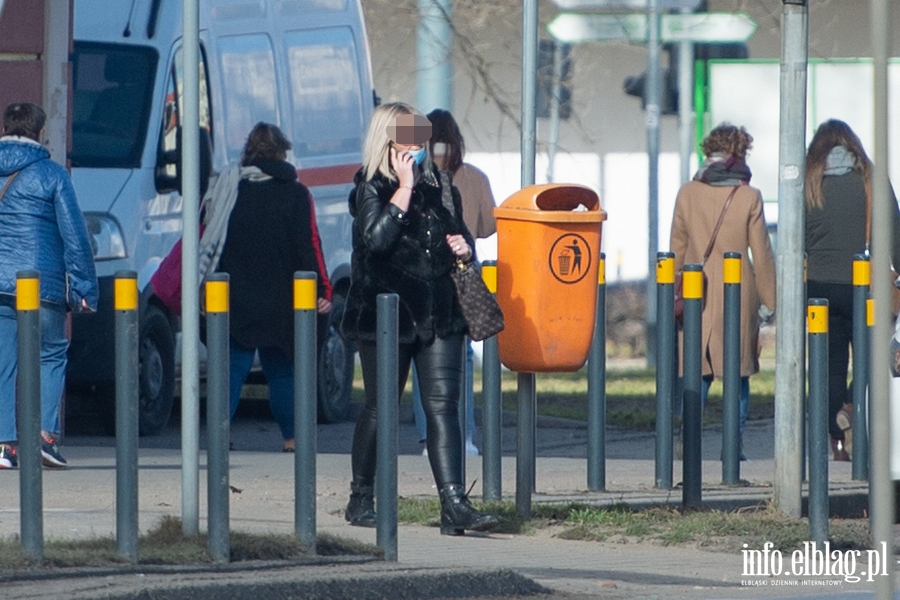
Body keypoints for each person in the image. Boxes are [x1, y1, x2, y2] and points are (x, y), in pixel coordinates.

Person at [340, 102, 499, 535]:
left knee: (443, 408)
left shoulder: (443, 185)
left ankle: (454, 503)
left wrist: (464, 248)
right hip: (387, 314)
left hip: (440, 314)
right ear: (385, 142)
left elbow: (460, 236)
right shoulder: (368, 188)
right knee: (380, 407)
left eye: (418, 137)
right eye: (406, 138)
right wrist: (404, 188)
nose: (416, 146)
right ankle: (360, 497)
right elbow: (375, 239)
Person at [215, 122, 332, 452]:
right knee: (282, 371)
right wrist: (323, 289)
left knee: (232, 370)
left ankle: (216, 435)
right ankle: (292, 439)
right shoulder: (296, 194)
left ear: (248, 153)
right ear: (282, 152)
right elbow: (309, 244)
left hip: (233, 294)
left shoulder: (230, 189)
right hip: (282, 299)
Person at [0, 102, 99, 469]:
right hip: (41, 283)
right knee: (51, 353)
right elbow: (75, 236)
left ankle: (3, 448)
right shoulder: (53, 174)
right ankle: (43, 437)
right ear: (40, 132)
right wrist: (85, 287)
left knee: (2, 363)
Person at [670, 123, 776, 460]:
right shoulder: (749, 196)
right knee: (737, 372)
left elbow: (677, 245)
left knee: (696, 370)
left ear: (708, 152)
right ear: (740, 153)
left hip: (695, 288)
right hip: (738, 290)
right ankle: (734, 446)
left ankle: (689, 439)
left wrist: (672, 288)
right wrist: (772, 301)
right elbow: (761, 253)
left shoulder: (687, 192)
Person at [804, 119, 900, 461]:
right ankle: (853, 411)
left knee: (828, 363)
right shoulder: (872, 179)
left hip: (817, 288)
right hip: (865, 287)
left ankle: (836, 435)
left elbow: (794, 239)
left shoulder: (807, 182)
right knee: (870, 359)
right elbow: (895, 233)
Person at [410, 108, 497, 458]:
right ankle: (464, 436)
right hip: (464, 267)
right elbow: (490, 226)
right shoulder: (474, 176)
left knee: (422, 354)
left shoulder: (413, 176)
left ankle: (427, 438)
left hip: (423, 268)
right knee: (461, 354)